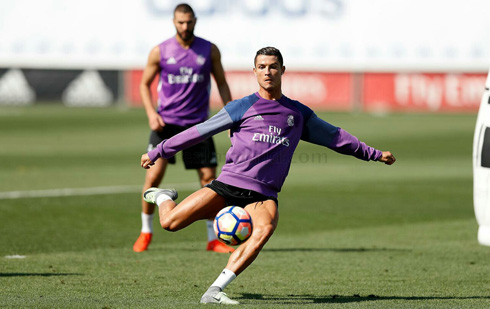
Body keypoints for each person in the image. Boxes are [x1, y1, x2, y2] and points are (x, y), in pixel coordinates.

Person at [140, 47, 396, 304]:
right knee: (170, 224)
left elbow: (335, 137)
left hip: (262, 194)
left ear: (282, 70)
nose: (267, 72)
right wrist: (160, 150)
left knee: (264, 229)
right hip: (228, 184)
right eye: (261, 67)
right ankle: (163, 197)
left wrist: (373, 154)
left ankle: (215, 290)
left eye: (273, 66)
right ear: (254, 71)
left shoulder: (297, 113)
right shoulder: (242, 106)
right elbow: (201, 131)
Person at [133, 3, 233, 253]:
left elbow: (221, 83)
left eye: (189, 22)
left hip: (199, 126)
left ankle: (213, 239)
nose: (185, 26)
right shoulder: (161, 51)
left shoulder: (209, 50)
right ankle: (146, 231)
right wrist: (151, 113)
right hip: (166, 124)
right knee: (153, 178)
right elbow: (145, 84)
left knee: (209, 180)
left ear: (195, 21)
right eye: (180, 22)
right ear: (173, 22)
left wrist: (232, 115)